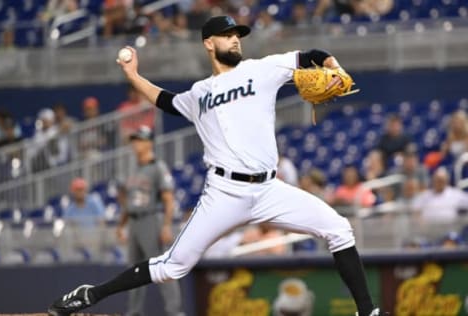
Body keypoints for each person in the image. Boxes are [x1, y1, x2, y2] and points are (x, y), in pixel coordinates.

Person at [49, 15, 383, 316]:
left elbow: (310, 54)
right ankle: (91, 294)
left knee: (339, 229)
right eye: (227, 35)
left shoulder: (262, 69)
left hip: (269, 189)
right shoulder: (199, 93)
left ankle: (367, 312)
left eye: (238, 34)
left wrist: (333, 65)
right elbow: (165, 100)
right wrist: (133, 75)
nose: (235, 39)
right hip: (224, 192)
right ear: (209, 43)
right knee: (172, 267)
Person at [115, 126, 184, 316]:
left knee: (161, 268)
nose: (136, 143)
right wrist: (121, 225)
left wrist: (167, 225)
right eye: (134, 140)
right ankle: (134, 313)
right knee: (134, 272)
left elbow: (169, 199)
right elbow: (127, 201)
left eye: (140, 139)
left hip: (151, 219)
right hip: (134, 222)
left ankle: (175, 312)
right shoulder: (131, 169)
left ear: (149, 143)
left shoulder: (157, 167)